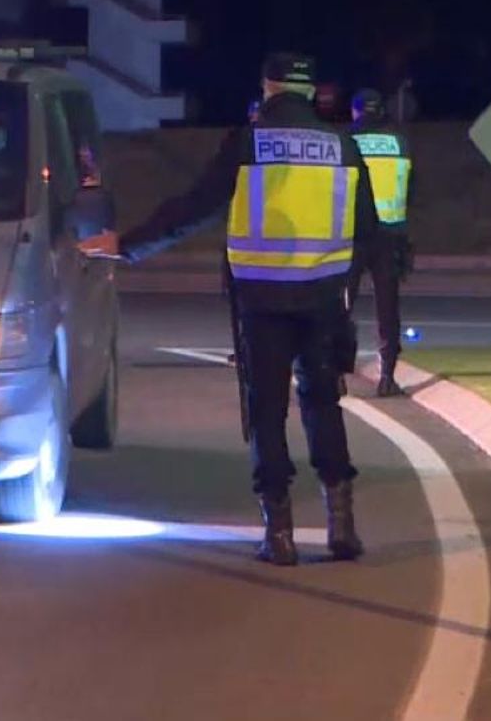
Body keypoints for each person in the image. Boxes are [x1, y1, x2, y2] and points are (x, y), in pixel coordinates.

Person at [80, 54, 378, 565]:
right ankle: (341, 526)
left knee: (266, 410)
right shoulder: (345, 147)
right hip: (324, 297)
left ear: (269, 88)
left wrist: (126, 245)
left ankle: (279, 534)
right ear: (310, 93)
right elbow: (365, 230)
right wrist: (347, 290)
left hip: (261, 299)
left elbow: (193, 208)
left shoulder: (249, 142)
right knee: (323, 403)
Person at [344, 89, 414, 397]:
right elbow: (410, 188)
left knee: (342, 307)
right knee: (388, 308)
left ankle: (336, 374)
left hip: (353, 236)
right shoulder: (399, 141)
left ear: (356, 112)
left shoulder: (346, 141)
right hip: (390, 234)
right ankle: (387, 376)